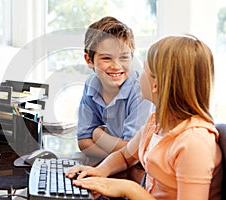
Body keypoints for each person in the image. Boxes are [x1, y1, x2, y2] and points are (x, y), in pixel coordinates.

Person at [66, 35, 223, 200]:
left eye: (145, 71)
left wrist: (130, 190)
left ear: (155, 85)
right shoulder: (155, 122)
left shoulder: (194, 144)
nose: (138, 75)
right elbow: (124, 156)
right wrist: (100, 171)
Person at [77, 16, 153, 162]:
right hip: (119, 166)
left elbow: (135, 152)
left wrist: (98, 135)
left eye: (124, 58)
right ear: (89, 60)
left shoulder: (141, 90)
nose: (116, 66)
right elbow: (83, 142)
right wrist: (120, 157)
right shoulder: (91, 85)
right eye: (106, 58)